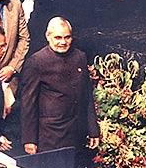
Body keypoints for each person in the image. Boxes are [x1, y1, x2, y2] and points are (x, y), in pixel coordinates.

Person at [20, 17, 99, 155]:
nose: (63, 42)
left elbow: (87, 95)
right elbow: (28, 103)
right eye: (58, 37)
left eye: (67, 37)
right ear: (48, 36)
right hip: (50, 135)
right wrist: (29, 139)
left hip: (76, 133)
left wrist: (93, 130)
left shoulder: (80, 57)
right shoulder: (36, 62)